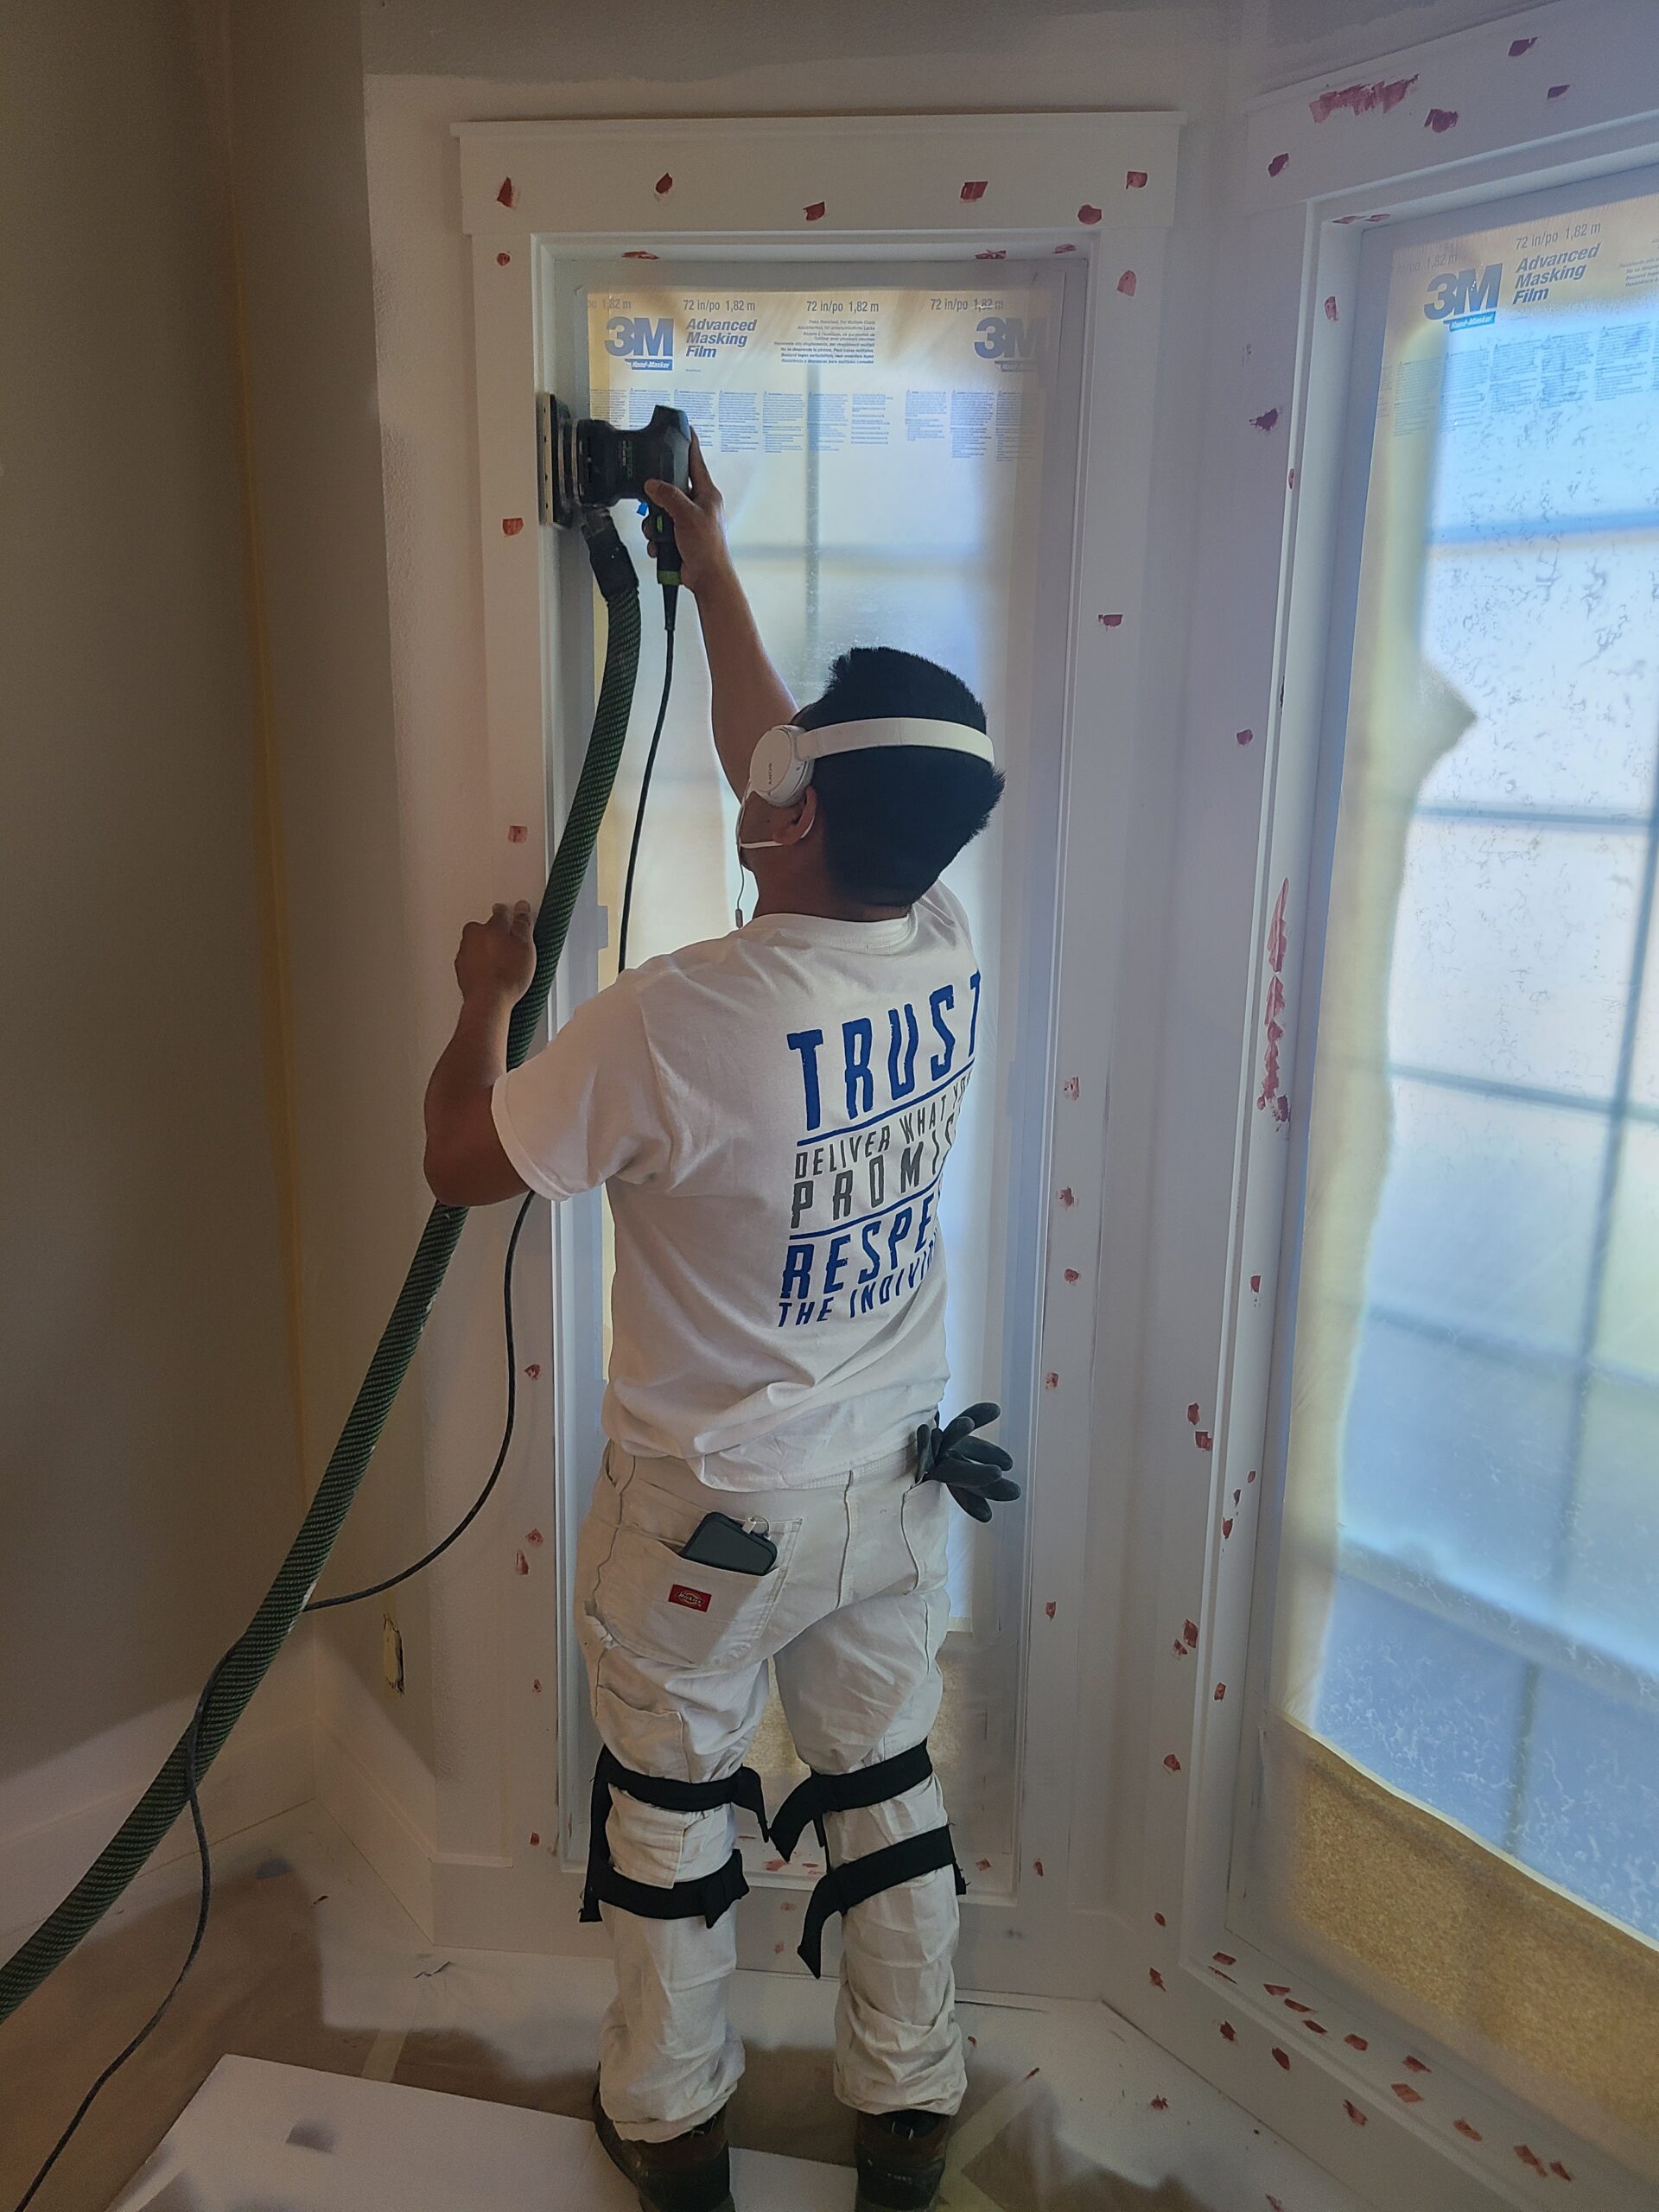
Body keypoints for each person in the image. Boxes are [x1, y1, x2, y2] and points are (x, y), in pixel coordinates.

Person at [422, 438, 1018, 2212]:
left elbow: (465, 1159)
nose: (774, 753)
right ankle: (909, 2095)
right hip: (887, 1490)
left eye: (795, 754)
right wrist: (707, 561)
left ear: (802, 808)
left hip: (710, 1519)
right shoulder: (942, 933)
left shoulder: (668, 1021)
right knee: (886, 1783)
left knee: (675, 1815)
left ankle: (674, 2119)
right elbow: (796, 768)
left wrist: (485, 1003)